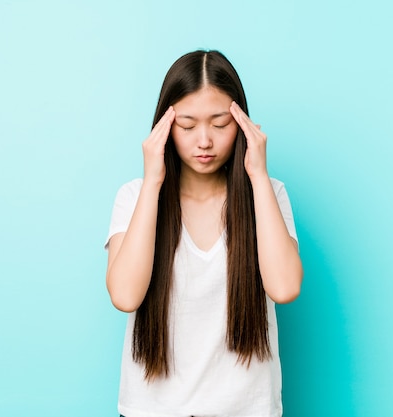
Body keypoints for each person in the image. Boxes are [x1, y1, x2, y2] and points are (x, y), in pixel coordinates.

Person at [104, 50, 303, 417]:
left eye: (220, 123)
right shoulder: (134, 196)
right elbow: (125, 295)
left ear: (242, 124)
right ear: (164, 126)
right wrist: (153, 182)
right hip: (151, 409)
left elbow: (285, 287)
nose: (204, 141)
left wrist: (258, 175)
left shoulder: (268, 194)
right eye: (187, 125)